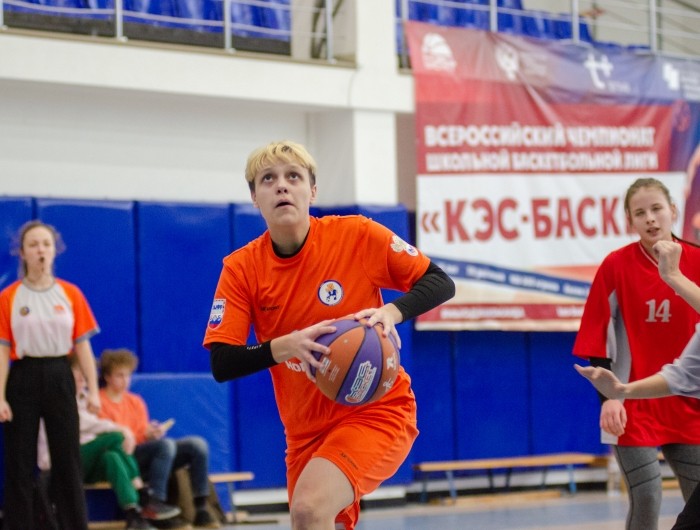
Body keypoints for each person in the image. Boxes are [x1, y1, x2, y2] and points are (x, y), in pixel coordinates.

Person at [203, 140, 456, 530]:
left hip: (375, 411)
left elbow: (440, 282)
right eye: (268, 179)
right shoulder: (241, 269)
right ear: (254, 197)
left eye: (293, 176)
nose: (281, 185)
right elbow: (222, 362)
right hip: (304, 433)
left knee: (308, 508)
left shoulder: (356, 235)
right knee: (315, 520)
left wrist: (390, 312)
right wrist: (285, 345)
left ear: (313, 191)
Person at [572, 178, 700, 530]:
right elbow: (596, 333)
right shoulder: (616, 265)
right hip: (632, 404)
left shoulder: (697, 261)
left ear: (673, 211)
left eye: (657, 209)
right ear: (630, 221)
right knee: (647, 496)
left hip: (687, 400)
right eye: (640, 213)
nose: (650, 218)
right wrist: (609, 399)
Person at [0, 220, 101, 530]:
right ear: (22, 253)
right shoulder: (9, 297)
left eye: (46, 244)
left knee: (67, 459)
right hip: (23, 376)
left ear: (55, 250)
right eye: (33, 245)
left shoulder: (70, 294)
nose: (40, 250)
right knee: (19, 461)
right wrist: (0, 396)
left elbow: (83, 347)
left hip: (60, 373)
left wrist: (93, 390)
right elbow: (2, 350)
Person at [37, 355, 180, 530]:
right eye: (78, 374)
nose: (82, 379)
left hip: (85, 463)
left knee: (111, 456)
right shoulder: (55, 399)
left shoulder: (84, 398)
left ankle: (133, 514)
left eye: (85, 376)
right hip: (60, 464)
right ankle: (142, 493)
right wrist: (123, 430)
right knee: (116, 437)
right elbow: (84, 423)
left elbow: (95, 429)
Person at [97, 348, 220, 529]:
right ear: (107, 377)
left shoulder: (135, 401)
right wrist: (143, 436)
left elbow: (141, 433)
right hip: (125, 459)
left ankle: (201, 508)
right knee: (165, 446)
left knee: (197, 445)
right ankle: (155, 502)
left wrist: (151, 433)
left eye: (128, 375)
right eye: (119, 375)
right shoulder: (99, 402)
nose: (125, 380)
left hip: (145, 452)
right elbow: (113, 440)